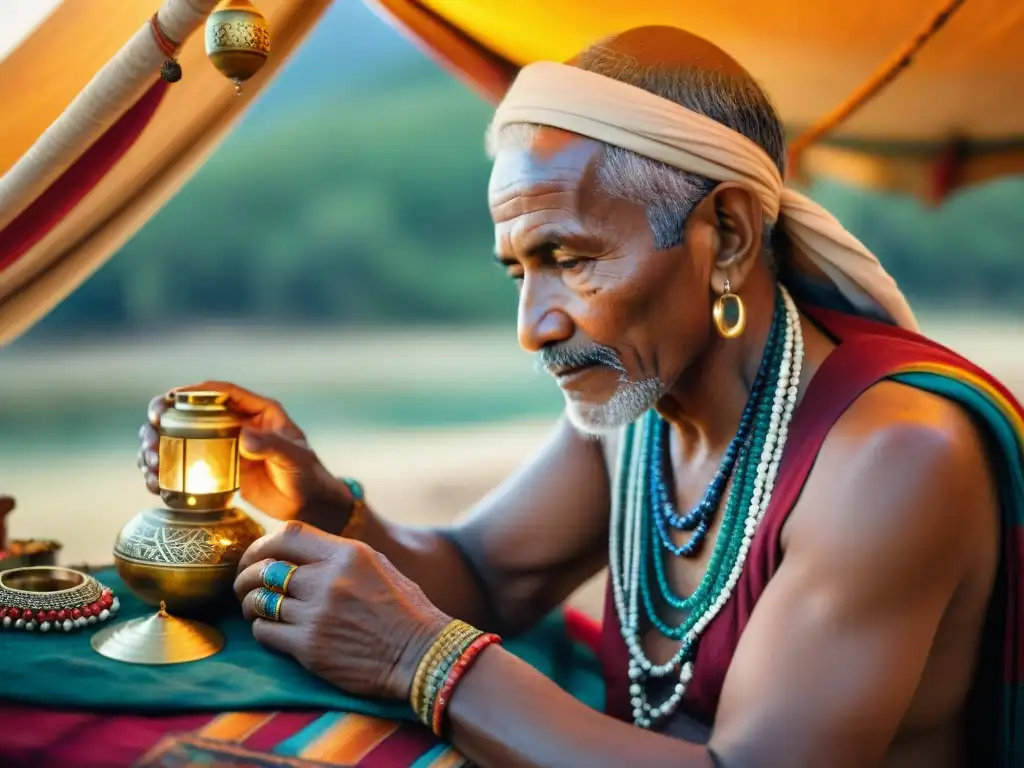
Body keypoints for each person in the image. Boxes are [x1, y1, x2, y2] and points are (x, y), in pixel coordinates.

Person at [138, 26, 1023, 768]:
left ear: (728, 237)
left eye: (569, 258)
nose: (533, 326)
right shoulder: (641, 405)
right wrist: (323, 501)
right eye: (518, 270)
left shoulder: (894, 456)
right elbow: (487, 574)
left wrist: (420, 657)